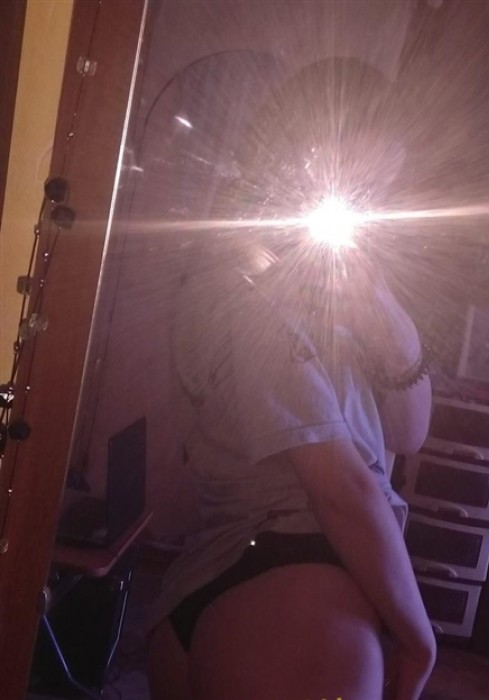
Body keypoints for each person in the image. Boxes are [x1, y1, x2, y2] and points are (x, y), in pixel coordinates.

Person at [147, 57, 436, 700]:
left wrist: (383, 314)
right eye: (346, 184)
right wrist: (418, 639)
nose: (359, 208)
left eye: (376, 192)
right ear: (286, 165)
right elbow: (339, 486)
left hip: (264, 575)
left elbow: (409, 433)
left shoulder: (345, 287)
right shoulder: (243, 283)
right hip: (294, 574)